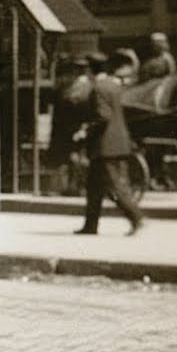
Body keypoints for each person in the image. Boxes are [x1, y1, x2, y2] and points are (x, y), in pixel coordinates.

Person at [73, 51, 144, 236]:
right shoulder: (113, 86)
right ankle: (90, 225)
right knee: (94, 186)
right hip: (117, 143)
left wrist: (85, 130)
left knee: (114, 185)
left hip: (105, 145)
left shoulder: (98, 88)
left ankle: (136, 216)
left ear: (90, 70)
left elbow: (103, 117)